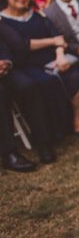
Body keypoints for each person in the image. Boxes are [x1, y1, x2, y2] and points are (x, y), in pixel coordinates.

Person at [0, 0, 79, 140]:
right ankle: (54, 130)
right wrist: (52, 41)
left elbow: (57, 36)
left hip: (52, 59)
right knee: (45, 82)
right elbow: (21, 45)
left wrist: (60, 56)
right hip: (26, 65)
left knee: (75, 74)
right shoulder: (2, 21)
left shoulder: (37, 14)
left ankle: (75, 119)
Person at [0, 34, 38, 172]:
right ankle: (9, 153)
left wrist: (5, 62)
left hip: (3, 71)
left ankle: (42, 137)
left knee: (26, 85)